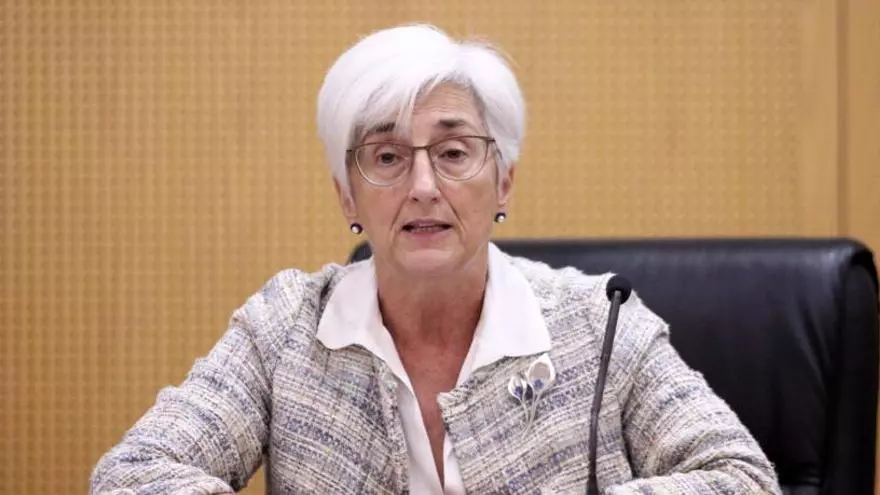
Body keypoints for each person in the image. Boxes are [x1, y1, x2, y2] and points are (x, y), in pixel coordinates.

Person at [90, 24, 781, 494]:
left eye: (453, 152)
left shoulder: (599, 322)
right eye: (387, 156)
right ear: (347, 195)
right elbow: (133, 474)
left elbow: (741, 477)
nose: (423, 186)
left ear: (503, 180)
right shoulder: (285, 328)